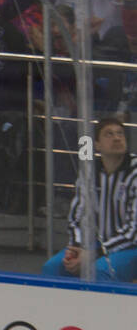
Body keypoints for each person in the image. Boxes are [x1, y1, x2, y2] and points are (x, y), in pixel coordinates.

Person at [41, 117, 137, 281]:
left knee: (99, 271)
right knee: (53, 267)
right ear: (97, 144)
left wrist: (94, 254)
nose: (117, 138)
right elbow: (77, 216)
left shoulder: (134, 173)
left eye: (120, 134)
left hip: (130, 247)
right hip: (96, 245)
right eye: (109, 134)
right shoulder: (89, 172)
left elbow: (133, 231)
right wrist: (76, 246)